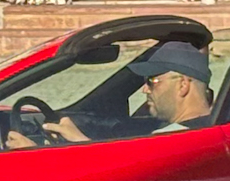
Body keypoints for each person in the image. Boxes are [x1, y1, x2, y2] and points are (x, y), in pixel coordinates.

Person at [35, 39, 216, 144]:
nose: (145, 89)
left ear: (183, 85)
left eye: (152, 81)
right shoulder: (215, 127)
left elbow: (122, 179)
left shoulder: (172, 140)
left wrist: (79, 142)